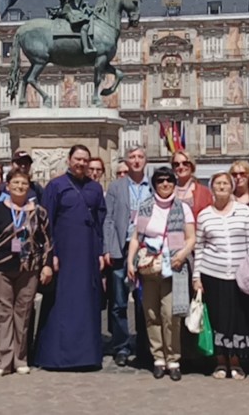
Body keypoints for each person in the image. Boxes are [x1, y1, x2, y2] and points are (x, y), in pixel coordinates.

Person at [0, 170, 54, 378]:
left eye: (23, 183)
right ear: (7, 186)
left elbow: (47, 241)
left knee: (23, 313)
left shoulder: (39, 212)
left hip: (29, 268)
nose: (20, 186)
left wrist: (47, 265)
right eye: (15, 182)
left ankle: (20, 359)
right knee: (1, 314)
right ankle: (0, 360)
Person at [36, 145, 107, 370]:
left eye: (85, 160)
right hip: (63, 254)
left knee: (86, 302)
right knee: (61, 303)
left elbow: (101, 222)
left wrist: (101, 251)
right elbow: (45, 223)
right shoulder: (55, 186)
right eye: (78, 159)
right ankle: (55, 356)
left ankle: (86, 356)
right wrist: (50, 256)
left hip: (88, 254)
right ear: (69, 160)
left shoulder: (95, 188)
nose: (82, 164)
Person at [127, 167, 196, 381]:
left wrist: (182, 254)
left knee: (171, 314)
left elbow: (191, 237)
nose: (165, 184)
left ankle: (173, 358)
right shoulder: (145, 207)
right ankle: (158, 357)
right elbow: (137, 237)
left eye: (169, 180)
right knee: (151, 314)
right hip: (150, 267)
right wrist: (131, 261)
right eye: (160, 181)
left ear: (174, 184)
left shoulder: (183, 208)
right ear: (155, 184)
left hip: (174, 267)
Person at [192, 172, 249, 380]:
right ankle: (221, 362)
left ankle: (237, 362)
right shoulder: (204, 215)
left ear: (231, 187)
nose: (221, 187)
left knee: (239, 318)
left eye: (225, 183)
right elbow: (200, 247)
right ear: (212, 188)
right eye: (217, 183)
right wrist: (197, 277)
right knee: (219, 319)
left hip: (240, 274)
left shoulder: (244, 212)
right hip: (213, 273)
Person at [102, 145, 151, 367]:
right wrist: (109, 248)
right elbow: (109, 219)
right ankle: (121, 345)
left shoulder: (154, 186)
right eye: (132, 157)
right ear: (126, 161)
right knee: (119, 302)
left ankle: (145, 345)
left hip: (147, 248)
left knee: (145, 300)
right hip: (121, 249)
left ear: (146, 161)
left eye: (140, 157)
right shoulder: (116, 187)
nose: (136, 160)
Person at [171, 150, 213, 221]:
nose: (181, 167)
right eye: (176, 164)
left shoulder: (204, 192)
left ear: (192, 166)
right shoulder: (168, 191)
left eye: (185, 163)